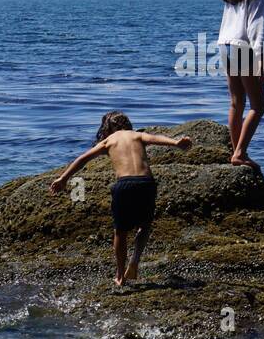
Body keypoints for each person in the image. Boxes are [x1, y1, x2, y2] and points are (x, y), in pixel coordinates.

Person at [48, 111, 192, 286]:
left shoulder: (109, 140)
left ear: (108, 127)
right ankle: (134, 262)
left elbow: (82, 159)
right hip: (146, 183)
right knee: (145, 226)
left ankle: (120, 276)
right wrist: (176, 143)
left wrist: (63, 178)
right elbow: (156, 138)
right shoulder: (137, 135)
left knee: (120, 232)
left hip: (123, 185)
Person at [217, 0, 264, 174]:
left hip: (225, 45)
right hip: (243, 48)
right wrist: (261, 62)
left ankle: (236, 151)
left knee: (235, 103)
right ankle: (240, 153)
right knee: (259, 105)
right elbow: (256, 29)